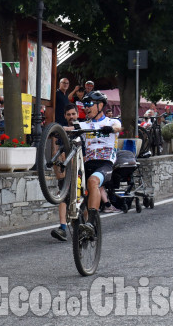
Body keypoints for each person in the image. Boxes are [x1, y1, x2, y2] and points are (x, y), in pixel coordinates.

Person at [79, 91, 122, 235]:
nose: (86, 107)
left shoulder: (111, 122)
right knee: (74, 189)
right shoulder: (84, 124)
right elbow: (69, 128)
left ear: (100, 105)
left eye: (89, 104)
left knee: (93, 182)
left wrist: (110, 130)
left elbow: (118, 128)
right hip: (88, 164)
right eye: (84, 104)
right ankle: (76, 223)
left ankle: (91, 222)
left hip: (105, 165)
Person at [50, 104, 79, 241]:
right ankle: (62, 228)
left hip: (80, 168)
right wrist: (57, 168)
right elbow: (55, 150)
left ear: (77, 114)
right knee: (63, 194)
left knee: (81, 198)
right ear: (65, 116)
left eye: (73, 114)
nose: (71, 117)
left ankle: (84, 226)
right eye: (69, 115)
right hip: (65, 166)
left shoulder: (82, 127)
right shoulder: (60, 130)